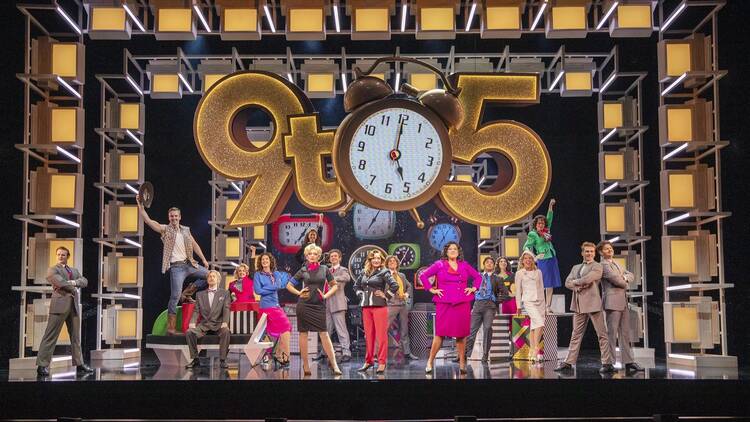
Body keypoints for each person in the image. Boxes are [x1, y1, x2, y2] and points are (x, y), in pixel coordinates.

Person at [137, 194, 210, 335]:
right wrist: (141, 207)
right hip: (177, 268)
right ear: (169, 217)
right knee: (175, 296)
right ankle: (171, 328)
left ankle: (188, 292)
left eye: (176, 216)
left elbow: (195, 244)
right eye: (171, 216)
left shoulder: (186, 230)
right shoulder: (165, 229)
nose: (174, 218)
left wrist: (204, 259)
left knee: (211, 276)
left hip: (189, 264)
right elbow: (148, 221)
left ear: (180, 217)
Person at [420, 242, 482, 374]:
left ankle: (462, 363)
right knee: (440, 334)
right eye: (450, 249)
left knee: (461, 334)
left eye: (455, 249)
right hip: (444, 303)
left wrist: (473, 288)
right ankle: (430, 361)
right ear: (446, 252)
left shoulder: (464, 265)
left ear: (458, 252)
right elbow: (423, 276)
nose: (453, 251)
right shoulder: (439, 264)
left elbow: (478, 277)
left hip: (462, 302)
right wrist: (431, 289)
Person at [555, 242, 615, 374]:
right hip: (578, 304)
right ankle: (568, 362)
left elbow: (590, 278)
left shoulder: (598, 266)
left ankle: (607, 363)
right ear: (582, 253)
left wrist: (575, 282)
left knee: (602, 334)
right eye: (587, 251)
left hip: (593, 304)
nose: (589, 254)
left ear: (594, 253)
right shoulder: (576, 267)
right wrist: (576, 286)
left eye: (592, 252)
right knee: (575, 334)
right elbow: (567, 282)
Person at [36, 246, 94, 377]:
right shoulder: (53, 269)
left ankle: (79, 364)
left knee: (76, 337)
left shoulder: (73, 270)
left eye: (63, 255)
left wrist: (73, 281)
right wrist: (74, 287)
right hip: (59, 306)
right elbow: (60, 283)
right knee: (50, 336)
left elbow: (84, 281)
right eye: (58, 254)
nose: (60, 257)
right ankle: (42, 365)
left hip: (73, 306)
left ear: (68, 256)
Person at [286, 244, 342, 376]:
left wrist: (325, 295)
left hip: (319, 305)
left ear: (318, 256)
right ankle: (305, 364)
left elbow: (335, 286)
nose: (312, 256)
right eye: (309, 254)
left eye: (315, 254)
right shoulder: (303, 270)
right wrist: (299, 292)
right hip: (304, 305)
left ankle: (334, 365)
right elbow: (288, 285)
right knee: (303, 334)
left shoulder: (324, 269)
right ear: (306, 256)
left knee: (324, 333)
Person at [597, 240, 644, 374]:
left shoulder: (616, 263)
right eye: (606, 249)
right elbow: (618, 281)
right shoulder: (603, 265)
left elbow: (632, 275)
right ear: (601, 252)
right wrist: (624, 279)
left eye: (610, 248)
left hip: (623, 302)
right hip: (612, 302)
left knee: (625, 333)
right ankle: (608, 363)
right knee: (611, 334)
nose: (610, 250)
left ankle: (628, 361)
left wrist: (624, 278)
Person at [354, 249, 400, 373]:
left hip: (379, 307)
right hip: (366, 307)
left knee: (381, 336)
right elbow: (356, 286)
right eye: (374, 258)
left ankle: (381, 362)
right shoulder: (364, 272)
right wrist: (360, 294)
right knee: (368, 336)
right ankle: (368, 361)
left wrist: (386, 295)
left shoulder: (384, 272)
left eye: (378, 258)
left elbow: (395, 285)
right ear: (369, 260)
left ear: (381, 260)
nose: (376, 260)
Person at [464, 256, 508, 363]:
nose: (489, 264)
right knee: (471, 330)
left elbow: (505, 294)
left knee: (487, 328)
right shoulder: (477, 277)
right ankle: (464, 355)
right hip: (478, 305)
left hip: (489, 306)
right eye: (487, 262)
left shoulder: (497, 278)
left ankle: (485, 355)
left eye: (491, 263)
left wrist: (495, 301)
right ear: (484, 264)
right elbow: (471, 288)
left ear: (494, 265)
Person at [253, 252, 293, 368]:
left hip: (276, 305)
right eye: (262, 260)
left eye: (267, 259)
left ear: (271, 261)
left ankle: (279, 355)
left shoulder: (275, 273)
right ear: (261, 262)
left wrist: (266, 288)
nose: (264, 261)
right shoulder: (258, 275)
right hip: (266, 306)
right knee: (286, 327)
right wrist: (273, 287)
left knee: (286, 329)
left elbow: (279, 286)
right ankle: (285, 358)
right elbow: (258, 291)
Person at [185, 270, 231, 369]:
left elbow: (226, 309)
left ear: (218, 279)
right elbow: (196, 310)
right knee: (190, 332)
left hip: (218, 324)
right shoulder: (199, 294)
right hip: (204, 324)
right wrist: (192, 322)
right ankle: (195, 359)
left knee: (226, 331)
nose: (211, 278)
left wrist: (225, 322)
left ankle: (223, 359)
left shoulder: (225, 293)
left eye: (213, 276)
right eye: (209, 276)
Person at [523, 198, 561, 314]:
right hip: (543, 260)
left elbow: (549, 217)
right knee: (543, 283)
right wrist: (534, 257)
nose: (541, 224)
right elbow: (526, 246)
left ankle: (547, 306)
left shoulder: (546, 231)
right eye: (539, 223)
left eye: (542, 223)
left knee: (551, 284)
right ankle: (540, 305)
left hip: (552, 257)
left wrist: (550, 205)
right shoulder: (532, 234)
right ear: (535, 224)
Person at [514, 250, 546, 362]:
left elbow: (542, 288)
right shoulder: (519, 273)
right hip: (528, 301)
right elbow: (518, 291)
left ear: (533, 260)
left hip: (540, 302)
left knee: (534, 326)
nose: (528, 260)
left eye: (530, 258)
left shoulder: (539, 272)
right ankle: (536, 348)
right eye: (525, 258)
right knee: (540, 323)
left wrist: (545, 305)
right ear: (522, 261)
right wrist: (518, 306)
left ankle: (532, 352)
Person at [385, 255, 418, 360]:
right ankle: (378, 354)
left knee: (404, 329)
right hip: (391, 305)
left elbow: (409, 286)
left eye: (394, 261)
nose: (392, 262)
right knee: (383, 329)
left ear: (397, 263)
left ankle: (407, 352)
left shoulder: (401, 275)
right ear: (387, 264)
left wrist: (407, 294)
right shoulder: (384, 276)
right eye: (390, 261)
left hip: (402, 304)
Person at [323, 249, 353, 362]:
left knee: (341, 330)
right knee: (326, 330)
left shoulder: (343, 270)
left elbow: (347, 278)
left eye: (335, 256)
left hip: (338, 304)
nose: (333, 258)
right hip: (327, 304)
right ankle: (324, 352)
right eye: (331, 256)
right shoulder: (327, 270)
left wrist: (333, 278)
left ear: (339, 258)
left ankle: (346, 352)